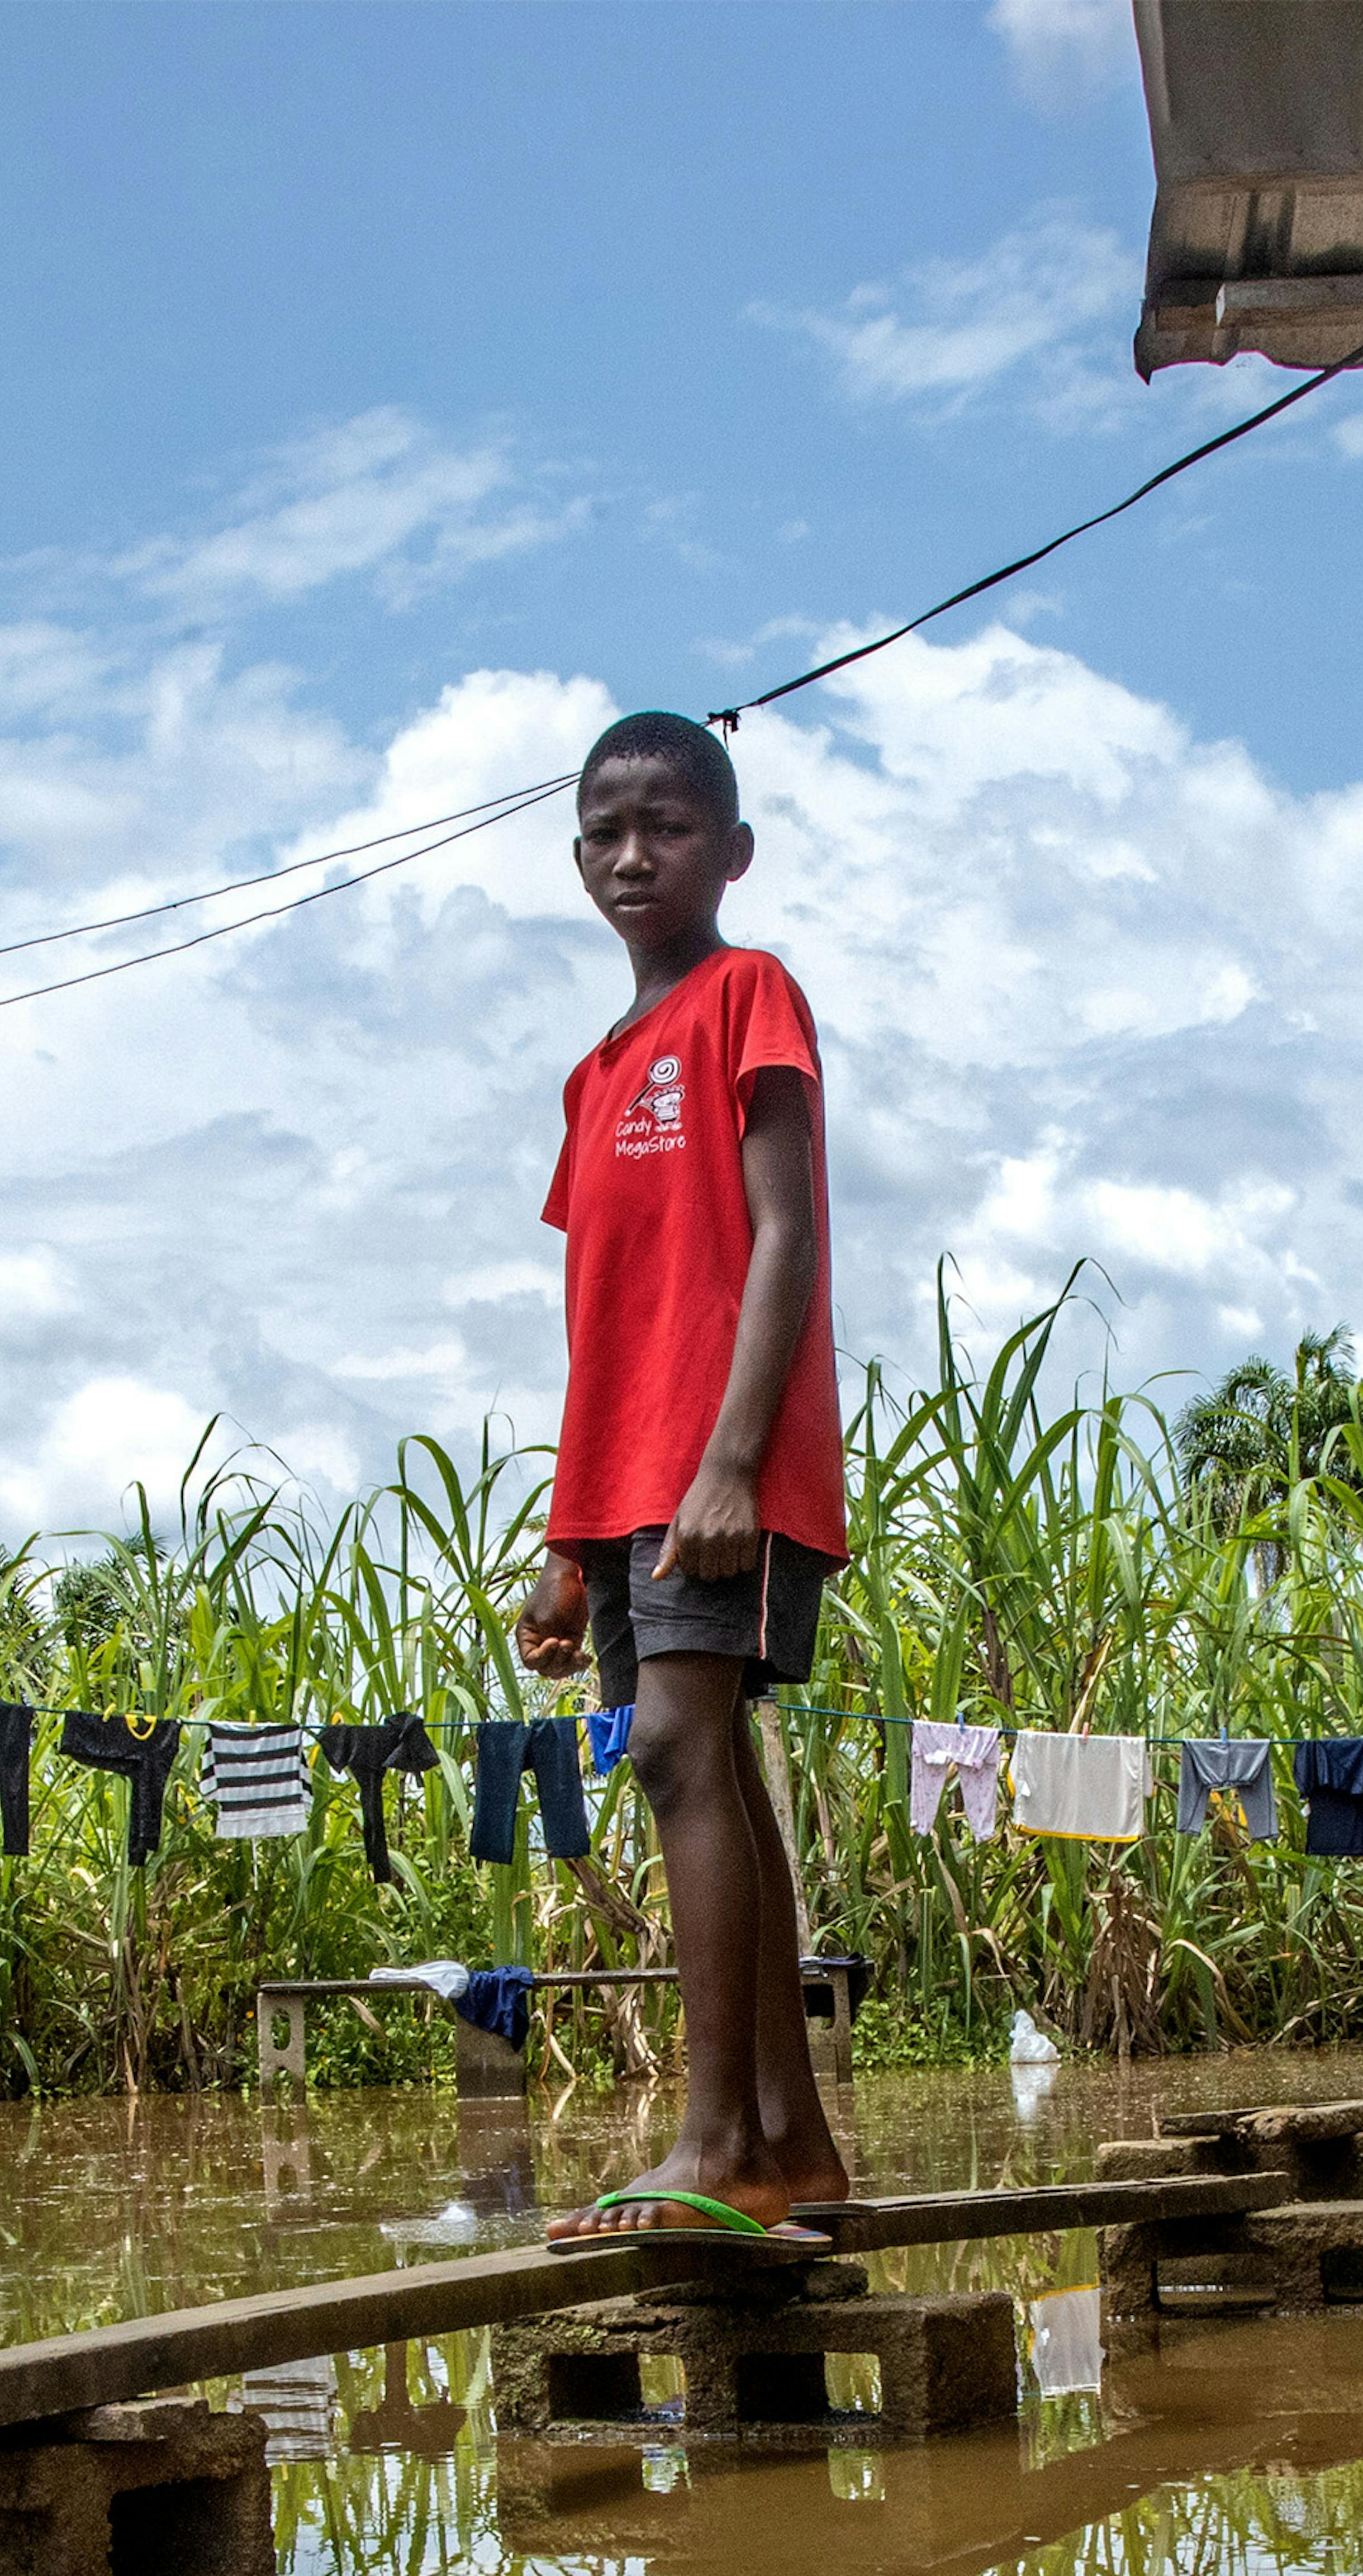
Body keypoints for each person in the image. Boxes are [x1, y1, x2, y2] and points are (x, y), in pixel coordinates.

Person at [513, 709, 857, 2244]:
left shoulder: (747, 996)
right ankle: (791, 2141)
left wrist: (728, 1461)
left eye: (664, 824)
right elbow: (605, 1324)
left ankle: (717, 2142)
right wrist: (570, 1547)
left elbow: (782, 1234)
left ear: (733, 851)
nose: (631, 854)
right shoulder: (593, 1080)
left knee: (671, 1752)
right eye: (604, 830)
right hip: (632, 1483)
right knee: (702, 1764)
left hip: (729, 1471)